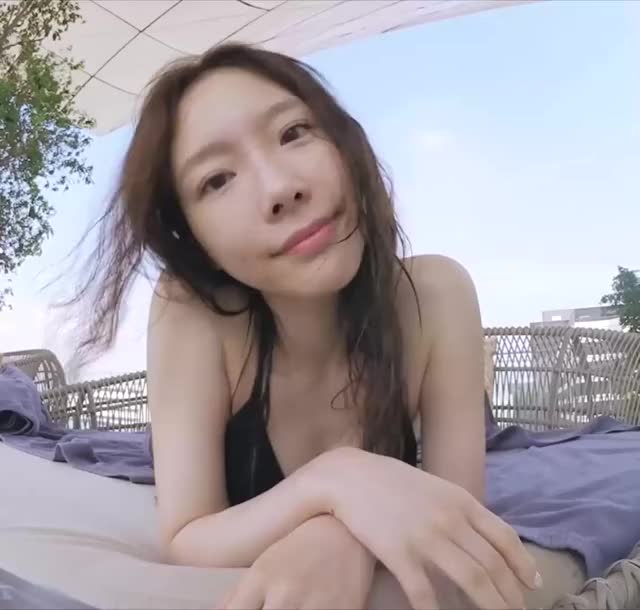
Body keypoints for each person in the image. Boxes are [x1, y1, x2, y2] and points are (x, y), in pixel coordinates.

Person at [71, 43, 541, 609]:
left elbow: (454, 516)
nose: (280, 188)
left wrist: (342, 533)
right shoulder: (192, 311)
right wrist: (335, 481)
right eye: (217, 180)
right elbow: (186, 534)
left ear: (344, 142)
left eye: (294, 132)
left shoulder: (435, 296)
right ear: (193, 239)